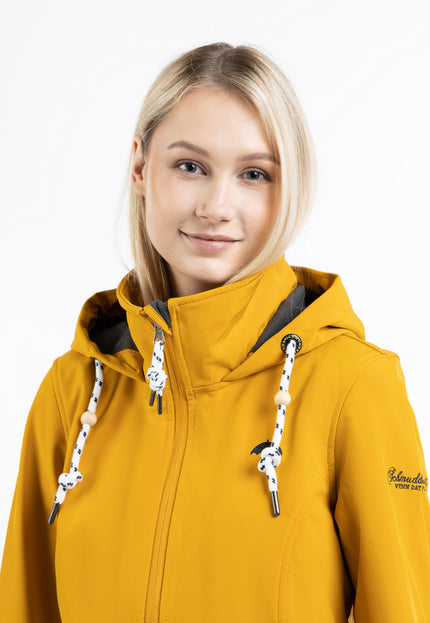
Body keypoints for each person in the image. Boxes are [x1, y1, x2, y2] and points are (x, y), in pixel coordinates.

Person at [0, 41, 429, 623]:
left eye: (254, 174)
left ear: (289, 187)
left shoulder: (353, 387)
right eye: (190, 166)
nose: (217, 206)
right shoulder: (73, 394)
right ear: (139, 167)